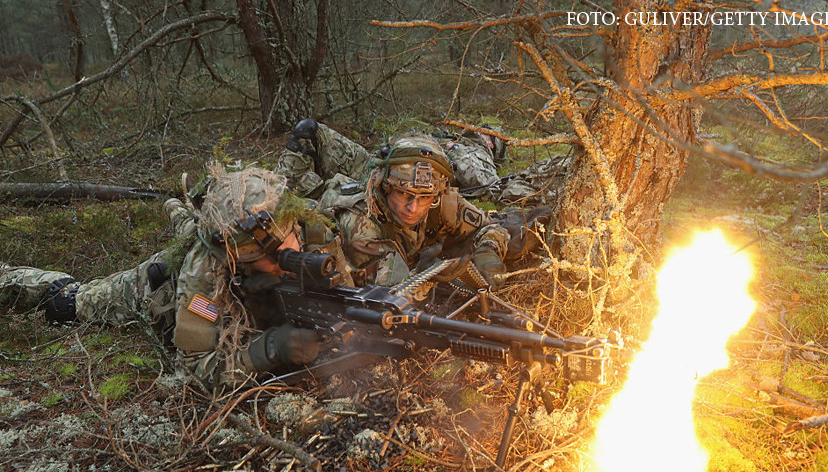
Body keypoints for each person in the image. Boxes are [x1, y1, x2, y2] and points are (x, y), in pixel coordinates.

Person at [0, 164, 339, 386]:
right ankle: (9, 277)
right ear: (234, 261)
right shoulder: (203, 273)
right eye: (262, 260)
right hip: (154, 293)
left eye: (285, 251)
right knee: (67, 302)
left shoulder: (310, 227)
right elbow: (194, 369)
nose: (281, 263)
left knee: (185, 223)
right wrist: (270, 347)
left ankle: (175, 209)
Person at [314, 134, 510, 288]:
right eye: (403, 193)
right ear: (385, 186)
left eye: (424, 198)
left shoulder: (443, 201)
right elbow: (390, 294)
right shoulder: (361, 223)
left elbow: (490, 227)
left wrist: (487, 250)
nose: (413, 207)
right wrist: (423, 275)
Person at [273, 119, 505, 199]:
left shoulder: (474, 151)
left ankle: (301, 197)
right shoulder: (452, 139)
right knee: (310, 130)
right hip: (374, 163)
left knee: (336, 194)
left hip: (394, 183)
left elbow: (488, 187)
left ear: (491, 144)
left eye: (488, 134)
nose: (482, 133)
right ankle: (283, 192)